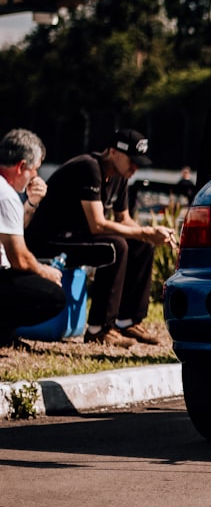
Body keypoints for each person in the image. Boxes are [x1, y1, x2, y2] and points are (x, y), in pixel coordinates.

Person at [26, 129, 176, 347]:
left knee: (141, 245)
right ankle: (99, 328)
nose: (135, 168)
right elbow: (97, 225)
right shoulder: (89, 167)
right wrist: (145, 232)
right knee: (114, 247)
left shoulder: (120, 175)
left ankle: (128, 321)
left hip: (77, 237)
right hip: (48, 240)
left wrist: (152, 234)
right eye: (132, 161)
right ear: (113, 152)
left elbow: (123, 219)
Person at [0, 129, 66, 347]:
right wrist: (45, 271)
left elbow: (13, 228)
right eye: (34, 169)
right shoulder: (6, 194)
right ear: (21, 167)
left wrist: (32, 202)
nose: (35, 176)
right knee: (53, 296)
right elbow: (19, 258)